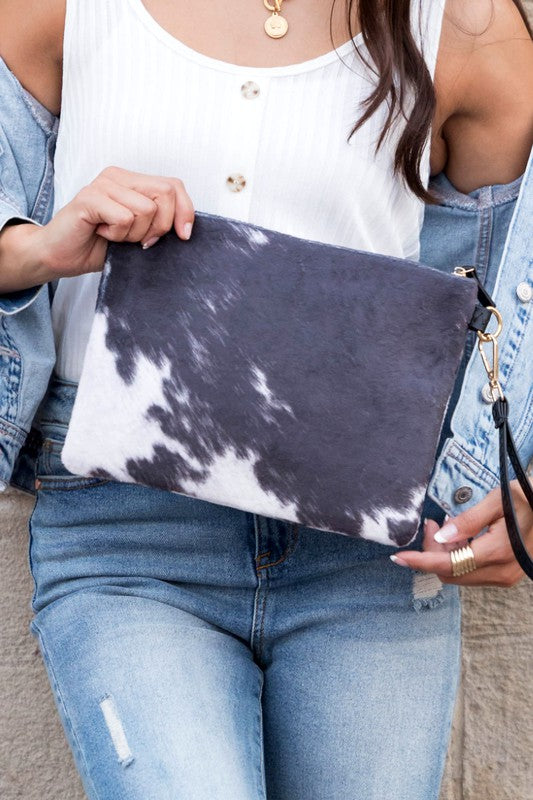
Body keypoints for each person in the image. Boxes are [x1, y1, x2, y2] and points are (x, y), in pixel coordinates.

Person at [0, 0, 531, 797]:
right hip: (127, 535)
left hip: (366, 559)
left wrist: (518, 479)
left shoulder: (465, 23)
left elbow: (511, 294)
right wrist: (40, 247)